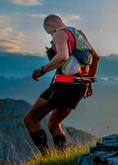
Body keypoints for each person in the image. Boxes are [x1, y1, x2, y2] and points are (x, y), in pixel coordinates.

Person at [24, 14, 100, 155]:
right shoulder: (79, 34)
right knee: (54, 124)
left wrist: (42, 71)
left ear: (50, 26)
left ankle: (46, 159)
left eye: (49, 32)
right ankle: (61, 158)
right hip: (79, 87)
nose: (51, 35)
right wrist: (89, 82)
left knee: (30, 119)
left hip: (64, 85)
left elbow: (62, 57)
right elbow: (96, 57)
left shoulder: (59, 33)